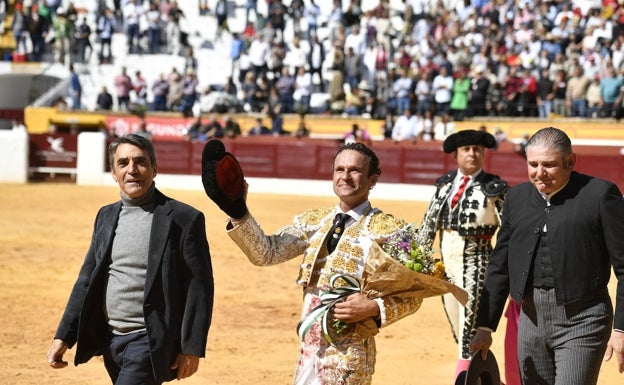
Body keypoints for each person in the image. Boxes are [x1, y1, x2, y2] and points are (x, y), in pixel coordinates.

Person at [202, 141, 422, 385]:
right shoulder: (315, 221)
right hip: (308, 351)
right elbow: (266, 252)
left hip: (350, 354)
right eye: (340, 169)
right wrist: (238, 212)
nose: (345, 176)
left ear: (373, 179)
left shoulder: (390, 231)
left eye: (354, 170)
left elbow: (414, 294)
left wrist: (374, 307)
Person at [46, 134, 214, 384]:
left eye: (140, 162)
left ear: (154, 168)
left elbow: (199, 287)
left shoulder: (183, 218)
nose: (132, 170)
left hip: (149, 340)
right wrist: (65, 335)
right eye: (122, 163)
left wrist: (191, 346)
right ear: (114, 172)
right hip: (111, 340)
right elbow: (87, 280)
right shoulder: (105, 215)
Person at [470, 127, 624, 385]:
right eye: (533, 164)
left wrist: (621, 328)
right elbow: (501, 265)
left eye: (549, 165)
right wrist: (485, 326)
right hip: (530, 319)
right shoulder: (517, 198)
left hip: (583, 318)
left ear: (571, 162)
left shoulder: (600, 195)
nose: (540, 173)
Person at [415, 129, 508, 384]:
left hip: (478, 264)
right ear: (456, 154)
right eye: (467, 149)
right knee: (460, 332)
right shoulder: (443, 185)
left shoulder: (494, 188)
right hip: (447, 268)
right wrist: (416, 266)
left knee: (470, 335)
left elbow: (510, 231)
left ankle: (465, 379)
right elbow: (427, 226)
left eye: (478, 149)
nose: (472, 154)